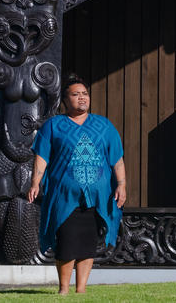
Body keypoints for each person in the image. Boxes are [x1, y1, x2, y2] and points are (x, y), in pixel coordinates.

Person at [27, 74, 126, 295]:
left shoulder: (103, 125)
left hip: (97, 196)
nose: (82, 98)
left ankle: (81, 290)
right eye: (76, 94)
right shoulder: (54, 125)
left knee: (87, 244)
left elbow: (117, 159)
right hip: (64, 196)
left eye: (85, 94)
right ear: (65, 99)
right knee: (66, 241)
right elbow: (42, 157)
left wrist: (121, 184)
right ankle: (63, 289)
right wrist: (35, 182)